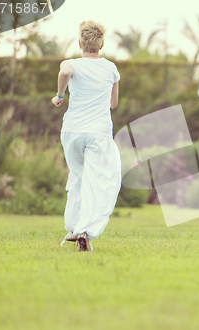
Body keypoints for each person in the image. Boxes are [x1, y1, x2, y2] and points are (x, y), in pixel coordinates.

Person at [53, 20, 121, 251]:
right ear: (101, 45)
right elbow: (114, 104)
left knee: (79, 178)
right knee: (101, 181)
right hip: (98, 132)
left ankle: (74, 228)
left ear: (80, 43)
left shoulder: (71, 63)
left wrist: (60, 95)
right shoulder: (110, 68)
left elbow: (65, 71)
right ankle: (84, 230)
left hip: (72, 131)